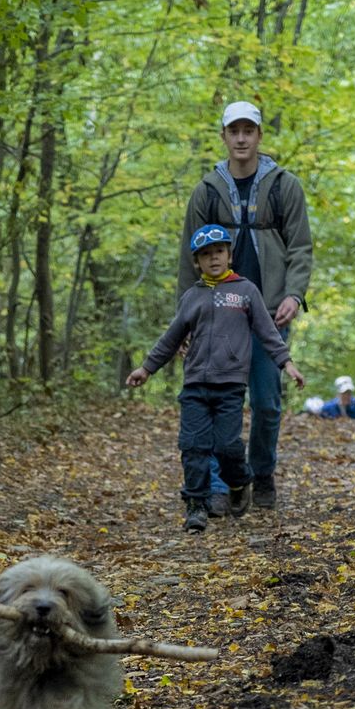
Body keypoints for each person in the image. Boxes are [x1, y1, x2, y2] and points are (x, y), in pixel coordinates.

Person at [179, 101, 314, 514]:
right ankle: (220, 487)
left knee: (267, 401)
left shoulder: (283, 186)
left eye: (248, 131)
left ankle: (262, 473)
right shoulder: (206, 190)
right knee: (218, 398)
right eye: (233, 131)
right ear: (223, 135)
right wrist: (185, 320)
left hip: (270, 311)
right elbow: (187, 258)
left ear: (258, 136)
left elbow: (301, 247)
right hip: (217, 316)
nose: (241, 138)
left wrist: (294, 294)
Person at [128, 225, 304, 532]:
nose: (213, 259)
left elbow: (267, 332)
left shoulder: (246, 291)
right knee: (193, 446)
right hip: (195, 384)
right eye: (206, 255)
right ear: (197, 261)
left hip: (230, 387)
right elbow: (171, 338)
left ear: (229, 255)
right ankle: (196, 504)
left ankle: (239, 481)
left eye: (219, 252)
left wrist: (286, 363)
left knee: (227, 446)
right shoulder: (191, 297)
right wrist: (146, 368)